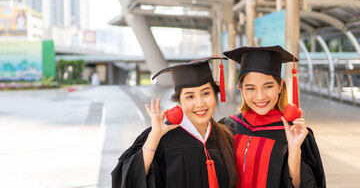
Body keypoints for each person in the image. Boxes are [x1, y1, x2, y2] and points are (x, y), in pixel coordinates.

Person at [111, 57, 238, 188]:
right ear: (179, 102)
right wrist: (155, 136)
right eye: (190, 96)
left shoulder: (226, 136)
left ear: (215, 95)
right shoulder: (160, 137)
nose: (200, 103)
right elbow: (129, 180)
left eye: (206, 93)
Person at [220, 46, 326, 188]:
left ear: (280, 86)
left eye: (268, 86)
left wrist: (294, 149)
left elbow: (303, 184)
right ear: (241, 89)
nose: (260, 96)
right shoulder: (228, 127)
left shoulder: (295, 133)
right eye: (250, 88)